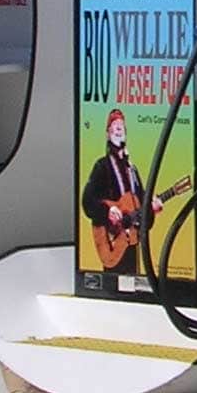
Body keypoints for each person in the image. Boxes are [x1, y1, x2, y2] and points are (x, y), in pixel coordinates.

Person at [81, 109, 162, 273]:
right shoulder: (102, 166)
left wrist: (151, 209)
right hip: (112, 240)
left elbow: (141, 209)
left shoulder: (132, 169)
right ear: (108, 134)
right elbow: (87, 201)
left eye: (122, 127)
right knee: (112, 281)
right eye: (114, 126)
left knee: (134, 278)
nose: (119, 128)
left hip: (131, 240)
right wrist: (108, 210)